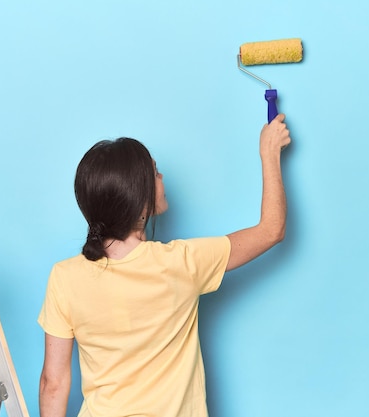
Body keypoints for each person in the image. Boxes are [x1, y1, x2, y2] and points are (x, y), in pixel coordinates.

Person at [38, 113, 292, 417]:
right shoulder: (183, 263)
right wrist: (269, 152)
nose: (161, 178)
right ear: (138, 197)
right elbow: (271, 229)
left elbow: (54, 383)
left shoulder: (64, 278)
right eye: (155, 173)